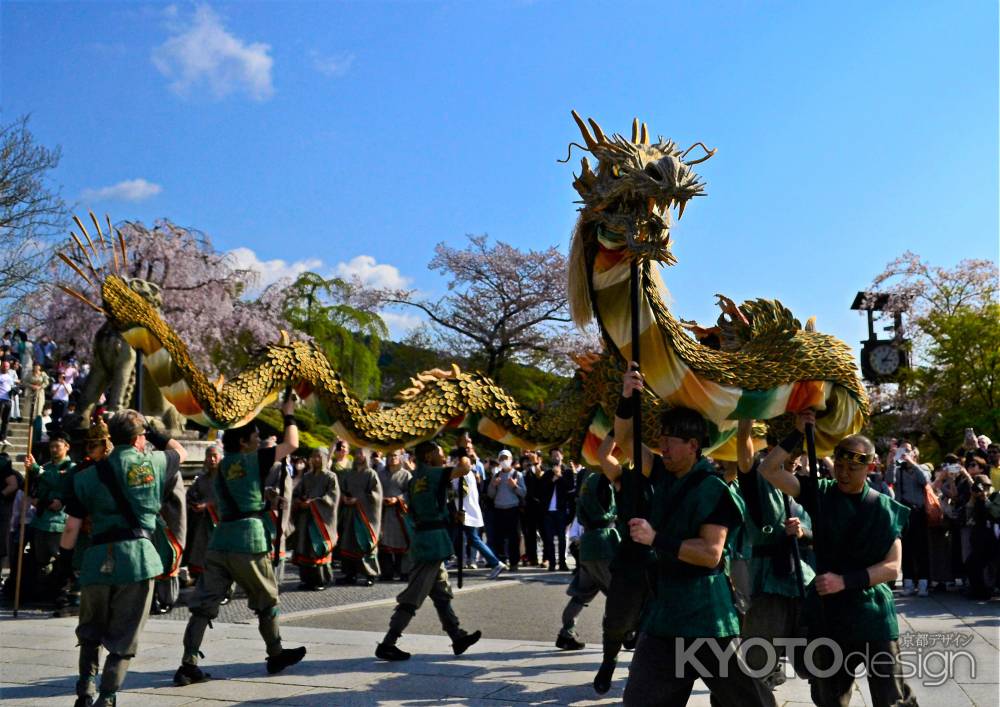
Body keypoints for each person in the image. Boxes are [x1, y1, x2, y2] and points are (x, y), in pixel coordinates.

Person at [615, 365, 774, 707]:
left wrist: (656, 539)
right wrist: (627, 398)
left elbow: (710, 553)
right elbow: (626, 440)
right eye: (660, 441)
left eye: (669, 442)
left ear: (692, 445)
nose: (662, 448)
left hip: (705, 616)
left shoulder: (713, 489)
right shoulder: (660, 474)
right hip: (663, 614)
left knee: (747, 701)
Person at [759, 410, 916, 707]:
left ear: (870, 467)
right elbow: (769, 469)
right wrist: (796, 433)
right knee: (830, 698)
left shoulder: (884, 508)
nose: (843, 473)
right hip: (829, 615)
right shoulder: (821, 492)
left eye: (851, 469)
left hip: (873, 615)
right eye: (839, 465)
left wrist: (845, 581)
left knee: (892, 699)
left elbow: (892, 567)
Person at [53, 410, 187, 706]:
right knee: (125, 635)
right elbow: (180, 451)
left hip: (96, 560)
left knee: (90, 630)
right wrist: (153, 430)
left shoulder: (86, 475)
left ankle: (85, 688)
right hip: (138, 560)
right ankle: (108, 696)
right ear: (140, 438)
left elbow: (72, 527)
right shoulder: (152, 462)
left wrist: (62, 565)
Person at [174, 397, 305, 686]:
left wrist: (263, 498)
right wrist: (289, 415)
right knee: (266, 600)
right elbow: (292, 444)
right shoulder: (255, 459)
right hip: (249, 539)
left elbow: (234, 496)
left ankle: (188, 663)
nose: (259, 438)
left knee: (203, 605)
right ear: (245, 442)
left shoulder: (222, 467)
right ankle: (275, 652)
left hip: (221, 539)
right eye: (255, 435)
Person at [375, 440, 482, 661]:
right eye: (439, 454)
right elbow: (465, 468)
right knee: (413, 596)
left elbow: (426, 508)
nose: (443, 458)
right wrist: (464, 450)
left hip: (428, 537)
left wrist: (449, 516)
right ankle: (388, 642)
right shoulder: (433, 474)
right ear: (428, 456)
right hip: (430, 543)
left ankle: (456, 635)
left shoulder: (416, 479)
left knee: (441, 592)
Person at [733, 418, 815, 691]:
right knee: (756, 661)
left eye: (798, 454)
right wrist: (745, 422)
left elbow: (822, 532)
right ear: (772, 449)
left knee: (822, 661)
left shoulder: (804, 485)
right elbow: (744, 454)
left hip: (804, 581)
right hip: (768, 581)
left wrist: (803, 533)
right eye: (789, 452)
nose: (794, 459)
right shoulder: (757, 478)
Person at [555, 435, 619, 654]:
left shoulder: (585, 474)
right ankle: (624, 635)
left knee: (581, 594)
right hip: (604, 542)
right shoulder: (602, 476)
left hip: (588, 543)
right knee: (620, 594)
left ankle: (567, 632)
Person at [24, 430, 75, 599]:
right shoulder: (45, 467)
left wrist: (37, 470)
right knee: (41, 560)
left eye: (57, 446)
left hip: (59, 522)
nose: (53, 449)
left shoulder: (70, 468)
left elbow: (59, 482)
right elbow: (36, 487)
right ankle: (44, 592)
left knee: (60, 557)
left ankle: (63, 591)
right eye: (51, 446)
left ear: (67, 447)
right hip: (40, 519)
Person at [450, 448, 507, 579]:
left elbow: (461, 492)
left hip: (466, 513)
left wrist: (450, 491)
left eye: (453, 460)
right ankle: (495, 562)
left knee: (471, 538)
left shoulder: (463, 474)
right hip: (467, 512)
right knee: (471, 538)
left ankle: (496, 562)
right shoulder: (466, 473)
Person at [290, 446, 340, 590]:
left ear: (325, 458)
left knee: (317, 547)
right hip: (305, 518)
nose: (316, 459)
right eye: (314, 456)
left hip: (321, 520)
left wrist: (312, 504)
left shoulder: (331, 477)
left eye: (319, 456)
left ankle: (322, 580)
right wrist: (299, 500)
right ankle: (306, 580)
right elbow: (298, 492)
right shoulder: (307, 476)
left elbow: (332, 497)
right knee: (304, 548)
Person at [336, 451, 383, 586]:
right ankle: (350, 574)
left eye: (361, 454)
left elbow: (376, 495)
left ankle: (370, 574)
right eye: (357, 453)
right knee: (348, 543)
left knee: (365, 544)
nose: (358, 456)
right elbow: (342, 489)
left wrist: (359, 499)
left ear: (367, 457)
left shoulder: (371, 474)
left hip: (365, 516)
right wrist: (344, 497)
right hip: (350, 513)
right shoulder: (348, 474)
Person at [893, 442, 930, 597]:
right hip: (904, 512)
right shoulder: (898, 470)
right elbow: (889, 479)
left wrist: (912, 462)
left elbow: (925, 481)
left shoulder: (921, 468)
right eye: (902, 450)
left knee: (921, 548)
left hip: (919, 512)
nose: (904, 453)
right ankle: (908, 583)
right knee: (906, 548)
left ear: (915, 453)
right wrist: (891, 461)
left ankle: (923, 583)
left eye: (908, 450)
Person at [183, 445, 222, 582]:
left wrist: (209, 505)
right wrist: (193, 504)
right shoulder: (201, 479)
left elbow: (228, 499)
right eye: (208, 456)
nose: (211, 459)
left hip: (219, 524)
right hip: (202, 523)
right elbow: (190, 495)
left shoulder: (225, 479)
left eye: (214, 456)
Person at [486, 449, 525, 571]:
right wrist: (493, 485)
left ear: (511, 460)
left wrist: (515, 486)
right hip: (499, 509)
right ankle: (502, 561)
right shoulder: (496, 475)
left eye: (506, 458)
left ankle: (514, 562)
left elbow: (524, 493)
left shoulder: (517, 475)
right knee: (499, 538)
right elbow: (490, 495)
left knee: (514, 537)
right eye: (501, 458)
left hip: (513, 509)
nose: (504, 461)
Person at [377, 448, 413, 581]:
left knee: (402, 544)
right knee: (384, 544)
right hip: (384, 513)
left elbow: (410, 492)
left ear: (400, 457)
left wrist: (397, 499)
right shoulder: (380, 474)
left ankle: (404, 571)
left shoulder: (406, 475)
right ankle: (387, 572)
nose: (392, 458)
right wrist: (381, 499)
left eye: (395, 455)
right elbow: (375, 491)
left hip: (400, 514)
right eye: (390, 455)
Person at [540, 448, 576, 571]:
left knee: (562, 538)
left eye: (557, 455)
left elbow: (570, 489)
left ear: (562, 456)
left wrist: (560, 477)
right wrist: (552, 480)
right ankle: (552, 563)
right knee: (549, 539)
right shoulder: (547, 473)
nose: (556, 457)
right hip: (548, 511)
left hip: (561, 510)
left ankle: (562, 562)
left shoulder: (568, 472)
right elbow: (541, 490)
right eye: (553, 455)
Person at [0, 358, 18, 443]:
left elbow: (12, 387)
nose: (5, 367)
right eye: (4, 366)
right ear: (1, 366)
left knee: (6, 420)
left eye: (7, 366)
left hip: (8, 400)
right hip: (0, 399)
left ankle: (3, 438)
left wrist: (14, 392)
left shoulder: (9, 377)